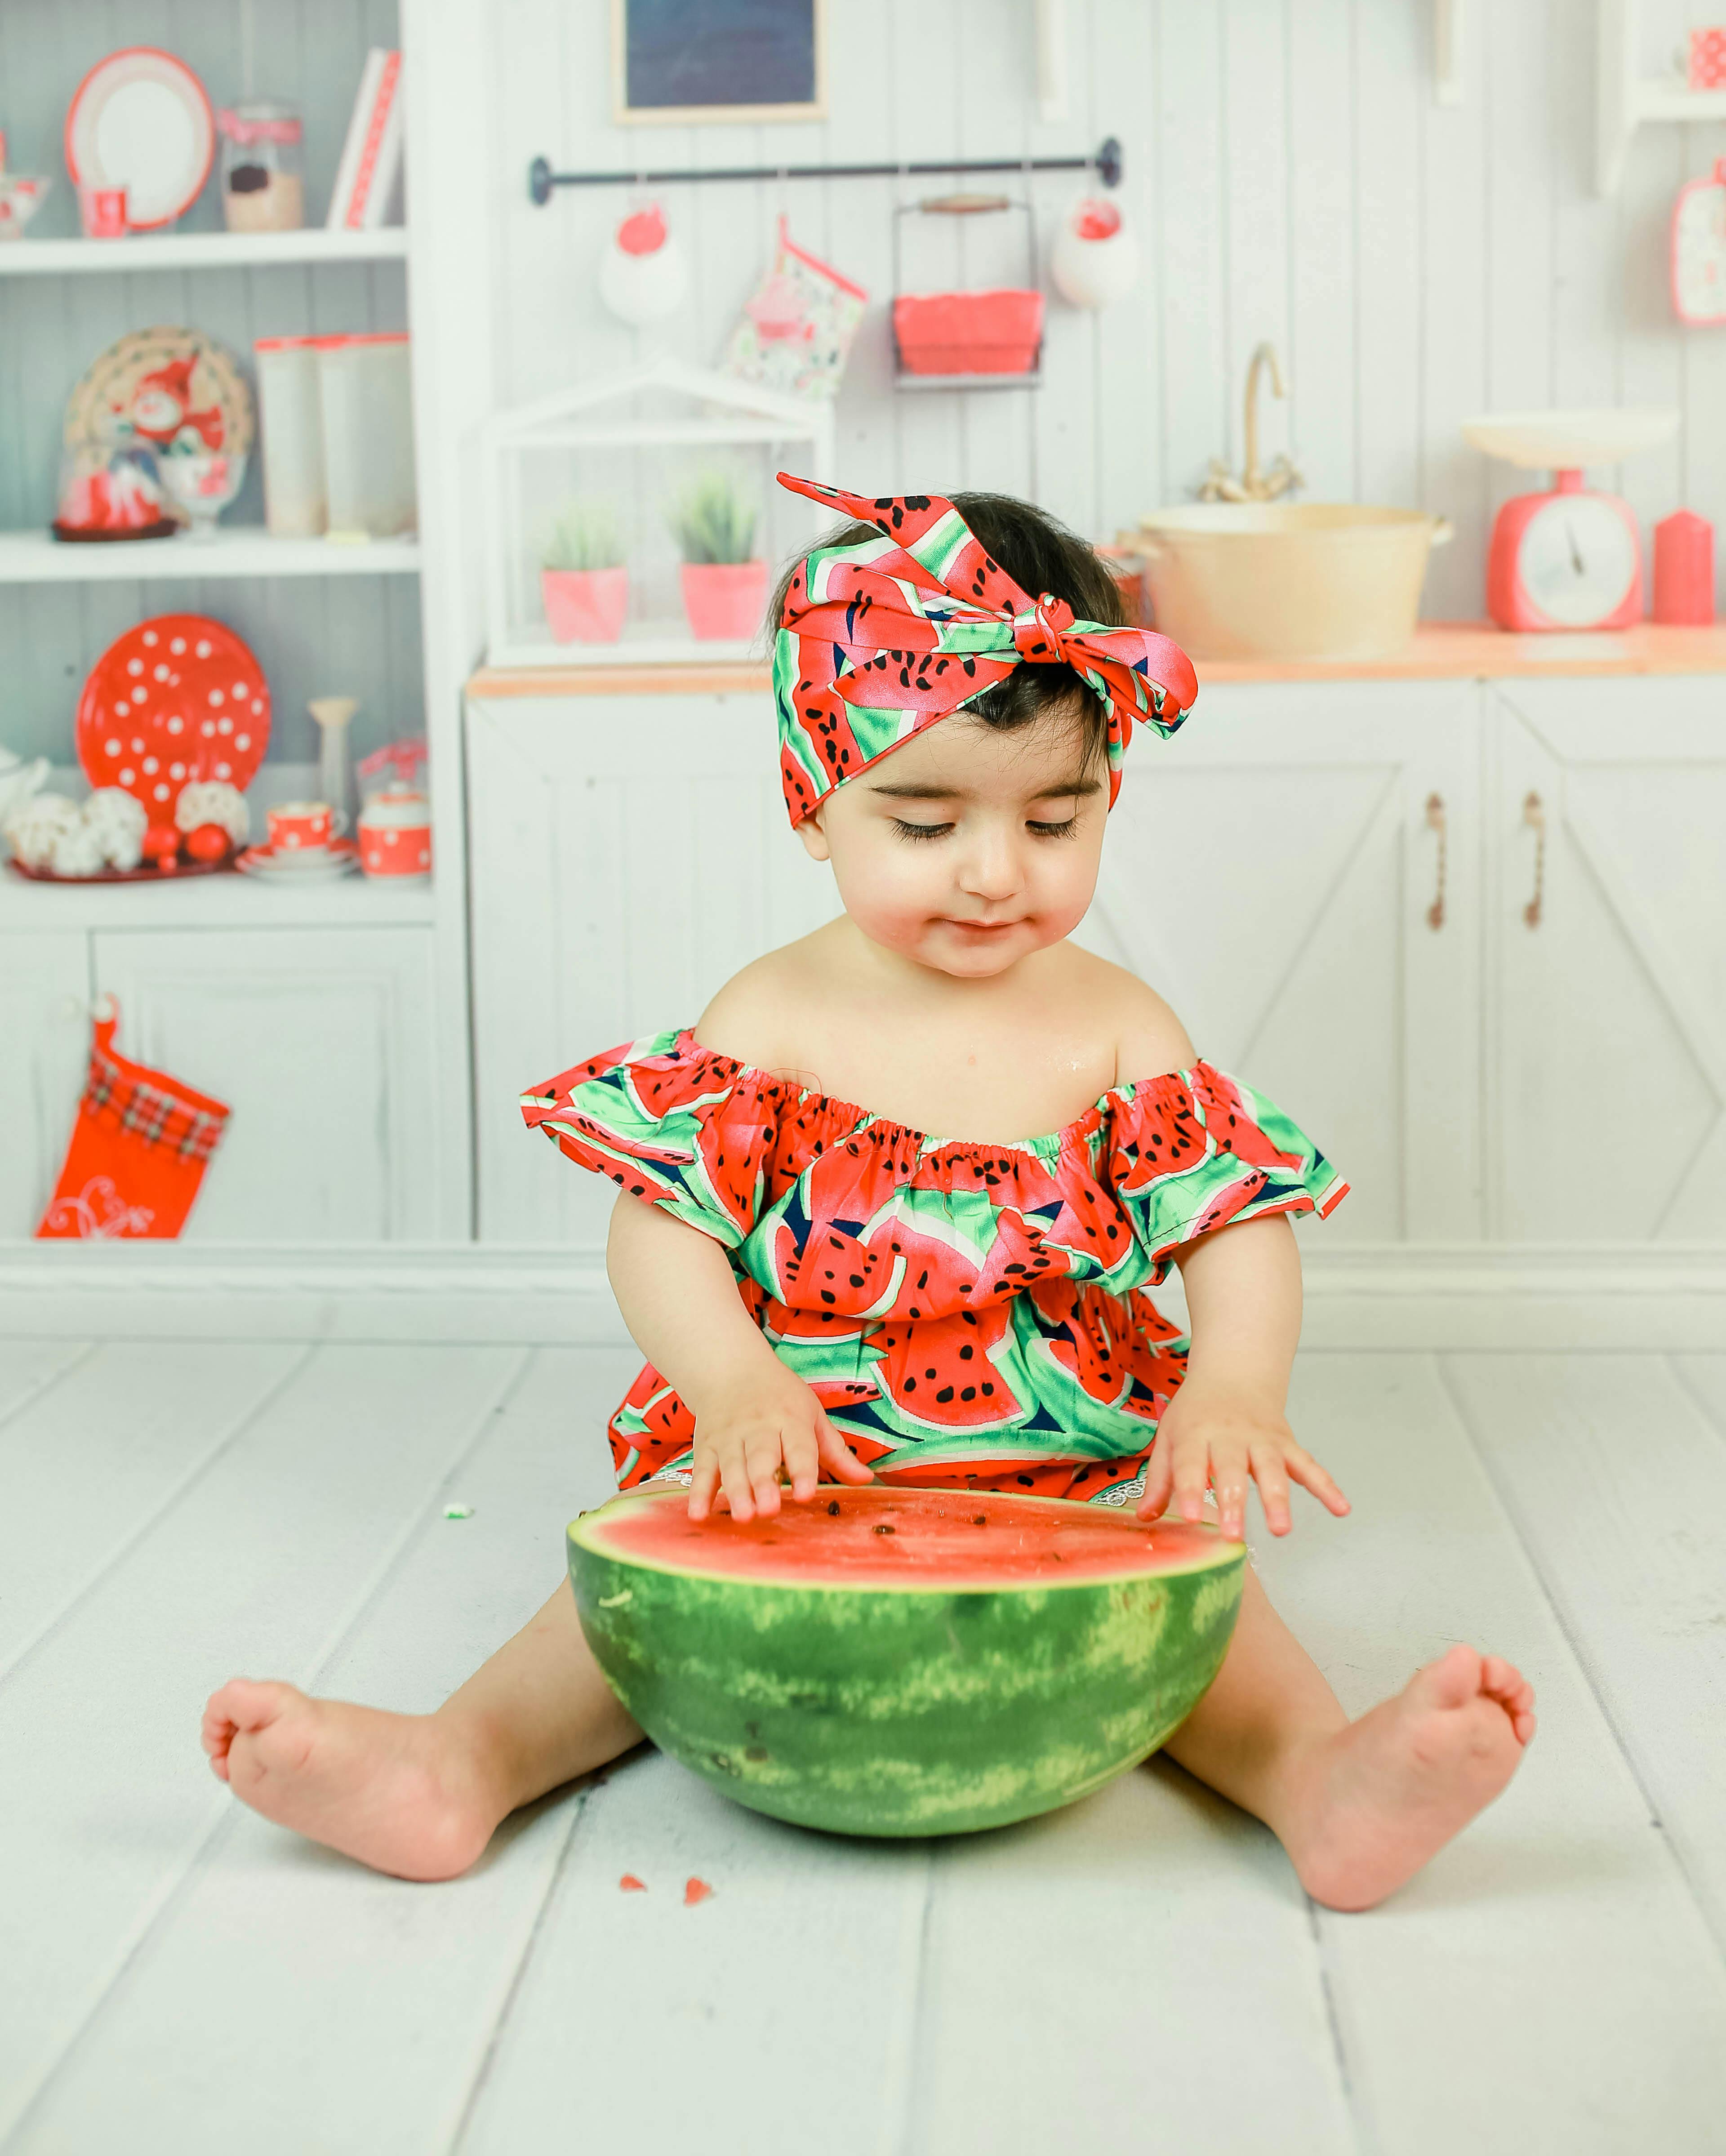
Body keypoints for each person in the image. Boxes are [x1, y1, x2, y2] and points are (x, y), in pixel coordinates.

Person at [202, 476, 1534, 1903]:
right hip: (796, 1450)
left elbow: (1235, 1230)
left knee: (1208, 1609)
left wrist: (1235, 1388)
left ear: (1107, 797)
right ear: (812, 797)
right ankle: (458, 1764)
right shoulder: (768, 1021)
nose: (990, 875)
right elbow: (659, 1232)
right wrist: (728, 1388)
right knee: (611, 1622)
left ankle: (1313, 1777)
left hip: (1075, 1457)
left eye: (1051, 823)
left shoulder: (1122, 1028)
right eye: (924, 823)